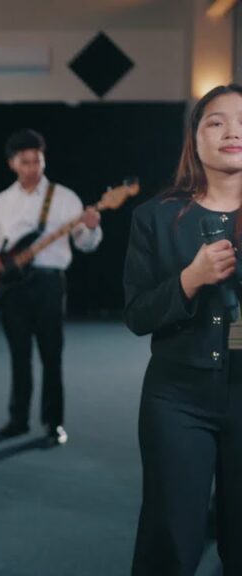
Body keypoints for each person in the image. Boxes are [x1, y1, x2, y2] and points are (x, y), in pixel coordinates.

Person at [124, 84, 242, 575]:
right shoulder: (155, 217)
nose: (232, 131)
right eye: (216, 122)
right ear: (195, 139)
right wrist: (190, 279)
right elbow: (137, 315)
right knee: (170, 539)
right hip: (177, 399)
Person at [0, 129, 102, 445]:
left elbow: (85, 244)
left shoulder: (65, 198)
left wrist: (91, 228)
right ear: (12, 163)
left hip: (49, 284)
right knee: (18, 356)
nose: (32, 167)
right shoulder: (2, 201)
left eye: (38, 161)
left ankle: (53, 423)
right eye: (25, 161)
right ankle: (17, 420)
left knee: (51, 355)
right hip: (12, 288)